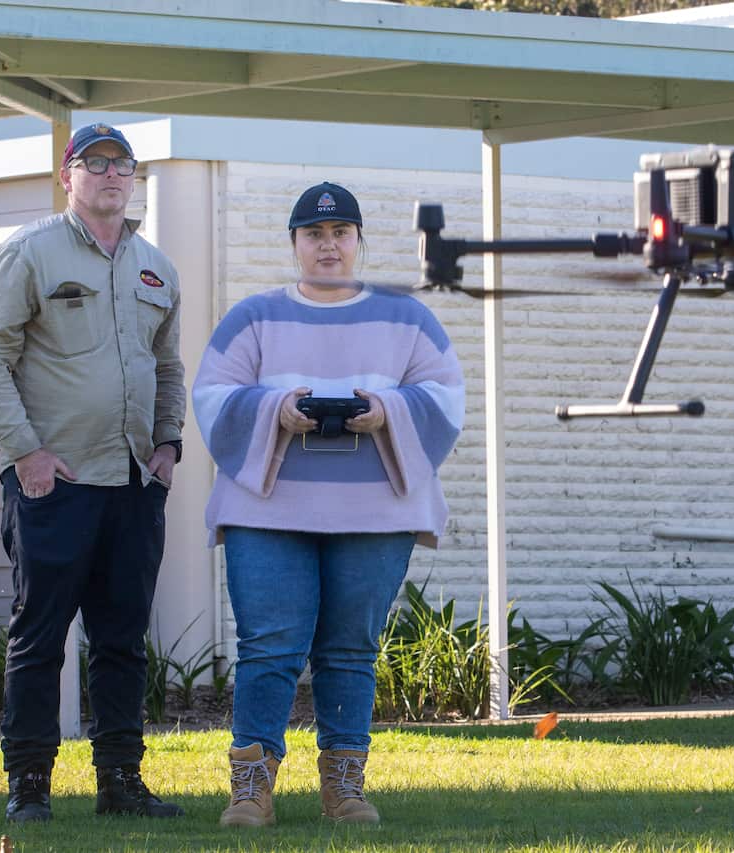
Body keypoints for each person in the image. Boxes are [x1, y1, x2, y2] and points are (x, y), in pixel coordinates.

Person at [192, 181, 464, 828]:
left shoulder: (408, 316)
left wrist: (386, 411)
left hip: (375, 514)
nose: (328, 245)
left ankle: (344, 787)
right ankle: (251, 789)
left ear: (360, 242)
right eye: (314, 234)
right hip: (268, 511)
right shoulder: (253, 317)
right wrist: (277, 409)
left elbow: (446, 396)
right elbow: (211, 395)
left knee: (349, 650)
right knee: (269, 646)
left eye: (341, 233)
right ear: (294, 243)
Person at [0, 123, 186, 824]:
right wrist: (25, 451)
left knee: (121, 639)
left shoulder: (156, 267)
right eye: (96, 162)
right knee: (39, 637)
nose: (112, 174)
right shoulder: (30, 253)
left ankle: (121, 781)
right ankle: (28, 783)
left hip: (132, 484)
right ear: (69, 175)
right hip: (51, 484)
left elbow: (170, 366)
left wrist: (169, 445)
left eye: (123, 163)